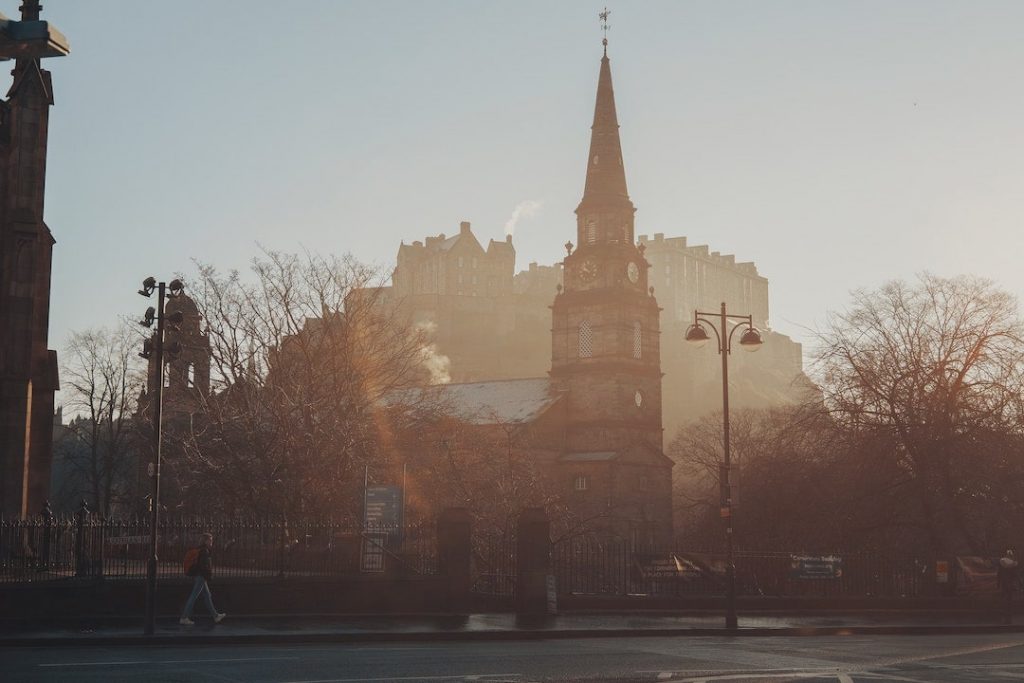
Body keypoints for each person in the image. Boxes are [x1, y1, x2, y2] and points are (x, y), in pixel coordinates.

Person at [180, 532, 226, 626]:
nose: (212, 542)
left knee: (207, 595)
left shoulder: (199, 549)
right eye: (210, 540)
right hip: (201, 576)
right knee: (194, 596)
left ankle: (215, 616)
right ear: (206, 541)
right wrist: (208, 576)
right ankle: (184, 617)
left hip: (199, 575)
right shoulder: (204, 551)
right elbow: (204, 566)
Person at [997, 549, 1019, 625]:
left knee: (1003, 596)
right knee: (1009, 597)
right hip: (1010, 582)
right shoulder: (1013, 564)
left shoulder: (1001, 562)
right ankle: (1008, 611)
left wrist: (998, 583)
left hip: (1004, 581)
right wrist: (1019, 584)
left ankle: (1003, 609)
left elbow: (999, 573)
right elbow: (1015, 575)